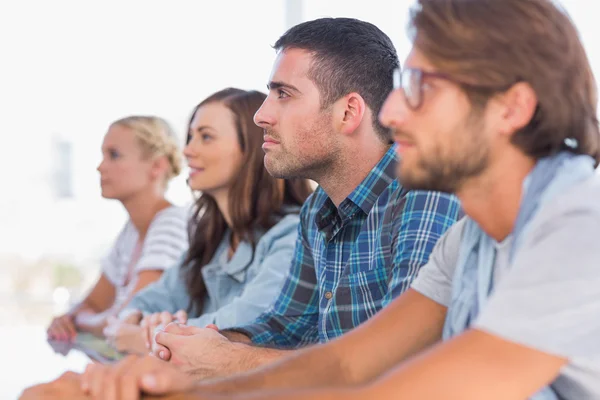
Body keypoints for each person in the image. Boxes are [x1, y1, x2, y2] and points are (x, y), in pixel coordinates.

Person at [27, 0, 600, 399]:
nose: (394, 112)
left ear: (511, 107)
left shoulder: (581, 220)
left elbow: (404, 385)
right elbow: (346, 361)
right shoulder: (468, 238)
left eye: (422, 88)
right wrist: (178, 381)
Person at [102, 88, 313, 355]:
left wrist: (149, 336)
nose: (187, 150)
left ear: (252, 148)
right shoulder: (213, 241)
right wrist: (135, 322)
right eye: (190, 137)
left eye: (206, 137)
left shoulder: (292, 236)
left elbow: (247, 326)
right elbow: (145, 301)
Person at [46, 116, 189, 341]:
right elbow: (92, 303)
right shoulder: (132, 231)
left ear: (157, 166)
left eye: (114, 155)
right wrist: (75, 318)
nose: (100, 167)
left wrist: (77, 320)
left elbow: (123, 319)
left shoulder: (172, 224)